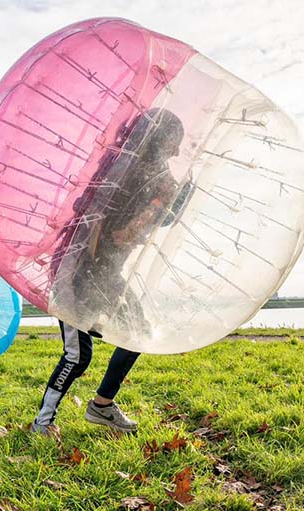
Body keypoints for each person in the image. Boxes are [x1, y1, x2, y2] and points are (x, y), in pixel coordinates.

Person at [31, 108, 187, 434]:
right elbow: (120, 232)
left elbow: (140, 223)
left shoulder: (136, 170)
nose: (176, 150)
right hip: (77, 271)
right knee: (77, 356)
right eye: (175, 142)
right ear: (160, 139)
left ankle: (102, 405)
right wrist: (170, 201)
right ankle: (42, 424)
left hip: (103, 272)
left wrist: (175, 201)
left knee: (137, 331)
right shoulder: (130, 173)